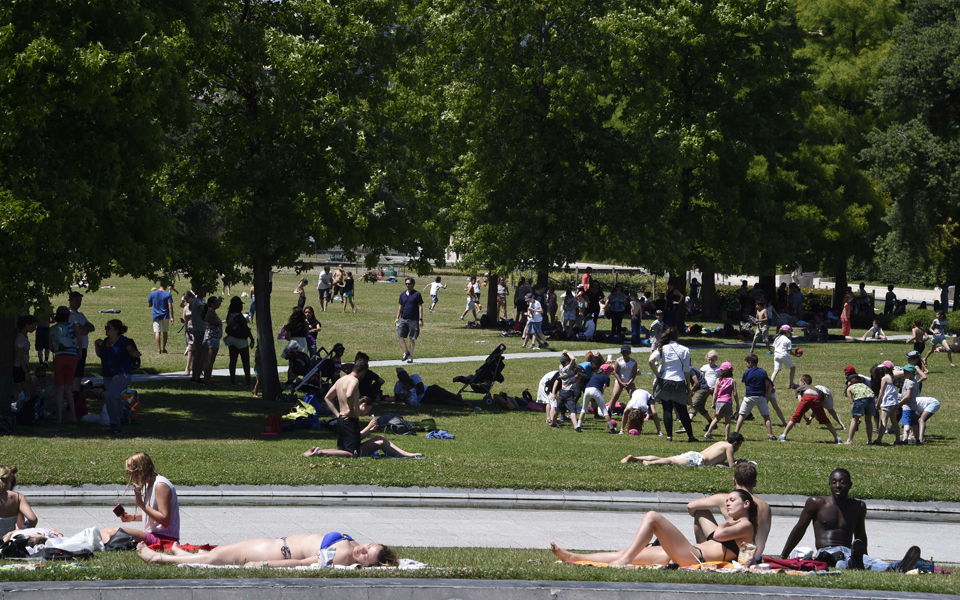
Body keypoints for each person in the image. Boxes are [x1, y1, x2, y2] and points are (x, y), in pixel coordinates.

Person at [550, 489, 757, 567]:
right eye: (726, 500)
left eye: (731, 501)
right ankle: (573, 557)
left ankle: (625, 561)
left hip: (695, 557)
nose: (727, 504)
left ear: (746, 504)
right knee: (627, 551)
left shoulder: (745, 525)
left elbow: (719, 533)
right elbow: (697, 509)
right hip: (688, 553)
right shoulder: (735, 524)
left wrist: (728, 521)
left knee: (652, 517)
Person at [779, 468, 921, 572]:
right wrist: (783, 556)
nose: (838, 485)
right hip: (826, 552)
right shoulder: (816, 503)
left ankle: (896, 566)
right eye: (834, 482)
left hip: (849, 551)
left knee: (863, 561)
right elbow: (799, 529)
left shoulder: (858, 506)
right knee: (841, 560)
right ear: (829, 484)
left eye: (842, 482)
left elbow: (860, 535)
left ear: (850, 485)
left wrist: (864, 555)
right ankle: (858, 564)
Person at [303, 353, 422, 458]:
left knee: (344, 450)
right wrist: (350, 411)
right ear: (363, 372)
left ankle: (316, 450)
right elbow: (349, 395)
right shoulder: (354, 381)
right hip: (349, 419)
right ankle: (319, 453)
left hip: (342, 419)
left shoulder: (341, 380)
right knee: (351, 454)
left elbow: (327, 398)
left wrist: (337, 414)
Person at [137, 531, 398, 568]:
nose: (363, 549)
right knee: (222, 551)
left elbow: (304, 563)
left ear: (365, 565)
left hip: (275, 553)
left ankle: (158, 558)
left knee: (218, 557)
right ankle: (189, 557)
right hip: (276, 544)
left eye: (366, 555)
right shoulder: (351, 546)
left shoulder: (341, 556)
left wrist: (264, 565)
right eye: (369, 546)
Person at [686, 463, 771, 561]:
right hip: (755, 557)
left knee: (700, 511)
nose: (729, 503)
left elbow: (691, 506)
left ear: (734, 481)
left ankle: (705, 550)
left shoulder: (727, 499)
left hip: (738, 554)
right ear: (755, 483)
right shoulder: (766, 506)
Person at [100, 452, 180, 546]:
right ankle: (112, 545)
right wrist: (132, 517)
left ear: (139, 470)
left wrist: (141, 503)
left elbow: (164, 520)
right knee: (104, 531)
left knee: (116, 531)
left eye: (131, 472)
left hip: (164, 538)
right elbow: (153, 513)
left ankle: (111, 545)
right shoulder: (151, 484)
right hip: (153, 535)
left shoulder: (160, 485)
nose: (131, 476)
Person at [648, 327, 697, 442]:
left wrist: (658, 374)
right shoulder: (685, 349)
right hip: (678, 381)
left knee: (667, 409)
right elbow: (686, 370)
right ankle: (690, 436)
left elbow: (651, 360)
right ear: (677, 337)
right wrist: (688, 386)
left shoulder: (662, 348)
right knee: (682, 410)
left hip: (664, 380)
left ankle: (669, 436)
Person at [94, 319, 142, 435]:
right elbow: (101, 355)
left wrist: (135, 354)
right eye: (106, 327)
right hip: (107, 374)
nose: (106, 329)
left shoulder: (124, 341)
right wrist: (96, 344)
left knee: (110, 396)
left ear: (116, 330)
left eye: (108, 327)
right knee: (116, 398)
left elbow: (133, 352)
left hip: (123, 374)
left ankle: (115, 424)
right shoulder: (105, 341)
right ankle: (119, 422)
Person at [778, 375, 842, 444]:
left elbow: (800, 402)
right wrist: (813, 416)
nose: (799, 384)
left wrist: (804, 416)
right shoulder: (815, 388)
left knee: (795, 417)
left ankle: (783, 435)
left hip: (807, 396)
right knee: (825, 419)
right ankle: (837, 438)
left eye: (800, 382)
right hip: (816, 397)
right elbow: (820, 400)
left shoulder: (800, 388)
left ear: (803, 382)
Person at [621, 433, 744, 467]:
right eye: (739, 445)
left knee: (666, 459)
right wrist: (741, 462)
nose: (738, 448)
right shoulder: (729, 447)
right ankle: (650, 463)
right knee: (672, 463)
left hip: (694, 454)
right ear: (735, 443)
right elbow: (732, 465)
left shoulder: (721, 443)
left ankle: (634, 459)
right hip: (698, 459)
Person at [49, 305, 81, 424]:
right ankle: (73, 415)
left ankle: (59, 417)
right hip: (72, 357)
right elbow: (79, 339)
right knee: (68, 388)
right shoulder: (73, 326)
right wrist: (79, 352)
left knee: (59, 389)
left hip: (60, 357)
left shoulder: (53, 329)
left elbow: (51, 347)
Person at [734, 354, 775, 440]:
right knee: (766, 416)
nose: (746, 365)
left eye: (746, 363)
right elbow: (767, 383)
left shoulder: (747, 372)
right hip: (761, 396)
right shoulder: (763, 372)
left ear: (750, 362)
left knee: (742, 415)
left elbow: (746, 384)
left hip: (749, 396)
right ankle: (771, 435)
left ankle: (736, 433)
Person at [68, 291, 95, 398]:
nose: (79, 302)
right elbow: (81, 331)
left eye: (80, 300)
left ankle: (75, 393)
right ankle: (74, 394)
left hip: (83, 347)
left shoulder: (80, 314)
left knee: (79, 373)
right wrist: (85, 329)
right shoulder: (70, 314)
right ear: (70, 301)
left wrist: (85, 328)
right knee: (75, 373)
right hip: (76, 347)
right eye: (76, 300)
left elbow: (91, 327)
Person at [223, 297, 255, 389]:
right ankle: (248, 383)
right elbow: (246, 329)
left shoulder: (229, 315)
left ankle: (233, 382)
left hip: (231, 339)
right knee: (245, 361)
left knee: (233, 361)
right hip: (241, 340)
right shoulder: (240, 316)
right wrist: (252, 339)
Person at [575, 364, 617, 434]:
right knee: (604, 410)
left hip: (587, 390)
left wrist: (594, 401)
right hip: (596, 390)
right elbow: (603, 388)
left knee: (584, 409)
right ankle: (612, 429)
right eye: (610, 372)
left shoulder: (595, 376)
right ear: (607, 372)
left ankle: (578, 427)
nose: (610, 374)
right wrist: (597, 400)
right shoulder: (606, 377)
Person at [703, 362, 738, 440]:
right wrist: (737, 404)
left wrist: (713, 403)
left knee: (717, 418)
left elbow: (715, 393)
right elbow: (735, 394)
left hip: (719, 401)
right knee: (728, 421)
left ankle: (708, 433)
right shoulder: (732, 381)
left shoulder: (718, 380)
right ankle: (727, 437)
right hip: (728, 402)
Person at [0, 466, 38, 536]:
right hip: (8, 543)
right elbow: (33, 519)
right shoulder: (18, 497)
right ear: (8, 480)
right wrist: (25, 529)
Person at [395, 277, 423, 364]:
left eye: (409, 284)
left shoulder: (417, 294)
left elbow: (420, 307)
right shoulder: (402, 294)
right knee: (400, 336)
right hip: (404, 318)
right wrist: (397, 317)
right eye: (406, 284)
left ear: (413, 284)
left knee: (412, 339)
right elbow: (400, 306)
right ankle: (406, 352)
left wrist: (420, 319)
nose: (407, 285)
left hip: (413, 320)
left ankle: (411, 356)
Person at [550, 351, 580, 428]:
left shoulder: (560, 368)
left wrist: (564, 355)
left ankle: (552, 423)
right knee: (572, 410)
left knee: (557, 409)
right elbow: (573, 359)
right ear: (567, 362)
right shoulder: (567, 369)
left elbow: (569, 361)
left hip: (563, 392)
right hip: (569, 392)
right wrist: (567, 352)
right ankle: (576, 427)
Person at [690, 350, 720, 427]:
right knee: (700, 406)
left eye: (712, 360)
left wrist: (715, 386)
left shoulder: (718, 369)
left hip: (710, 388)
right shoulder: (704, 367)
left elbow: (719, 378)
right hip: (706, 387)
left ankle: (687, 422)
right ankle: (711, 421)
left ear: (716, 359)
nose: (710, 361)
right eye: (709, 359)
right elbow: (702, 377)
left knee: (695, 404)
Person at [843, 375, 876, 445]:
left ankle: (849, 440)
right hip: (871, 398)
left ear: (851, 382)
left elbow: (851, 402)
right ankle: (869, 440)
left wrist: (856, 415)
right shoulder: (864, 385)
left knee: (854, 419)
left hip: (860, 399)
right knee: (868, 420)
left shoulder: (850, 388)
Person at [13, 315, 38, 398]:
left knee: (31, 390)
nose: (34, 329)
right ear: (27, 325)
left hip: (23, 366)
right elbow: (20, 356)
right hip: (21, 367)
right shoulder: (21, 339)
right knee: (29, 393)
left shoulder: (23, 337)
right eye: (33, 326)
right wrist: (26, 372)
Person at [201, 296, 224, 385]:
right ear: (211, 304)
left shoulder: (211, 311)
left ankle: (206, 378)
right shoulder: (211, 311)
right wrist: (216, 322)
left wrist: (219, 300)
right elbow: (207, 319)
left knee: (207, 360)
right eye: (216, 302)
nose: (218, 304)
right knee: (210, 361)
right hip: (212, 339)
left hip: (209, 338)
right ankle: (207, 379)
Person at [147, 283, 174, 354]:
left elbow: (149, 304)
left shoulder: (153, 293)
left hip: (156, 315)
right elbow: (170, 306)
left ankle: (159, 350)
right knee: (165, 332)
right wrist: (172, 317)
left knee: (157, 332)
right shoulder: (168, 294)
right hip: (165, 315)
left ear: (159, 285)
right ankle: (163, 348)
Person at [187, 291, 208, 384]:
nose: (206, 292)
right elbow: (203, 309)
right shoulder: (198, 302)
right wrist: (211, 305)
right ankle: (197, 377)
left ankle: (195, 376)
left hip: (198, 329)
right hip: (200, 330)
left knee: (198, 353)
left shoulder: (196, 301)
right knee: (201, 354)